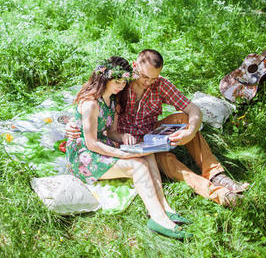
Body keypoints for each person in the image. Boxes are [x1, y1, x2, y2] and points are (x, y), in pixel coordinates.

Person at [68, 50, 248, 207]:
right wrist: (71, 124)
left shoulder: (160, 84)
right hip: (132, 143)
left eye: (153, 78)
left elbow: (194, 109)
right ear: (135, 66)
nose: (148, 82)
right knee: (171, 164)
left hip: (153, 134)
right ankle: (220, 194)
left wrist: (190, 131)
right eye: (145, 77)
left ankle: (216, 174)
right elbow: (91, 100)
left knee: (185, 118)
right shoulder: (121, 83)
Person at [67, 57, 192, 239]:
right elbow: (92, 143)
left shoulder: (112, 100)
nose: (121, 86)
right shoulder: (91, 104)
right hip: (85, 156)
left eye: (124, 82)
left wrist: (122, 137)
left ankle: (164, 207)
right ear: (104, 79)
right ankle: (157, 218)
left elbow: (110, 132)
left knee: (147, 155)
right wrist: (122, 154)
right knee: (138, 165)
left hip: (103, 145)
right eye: (116, 82)